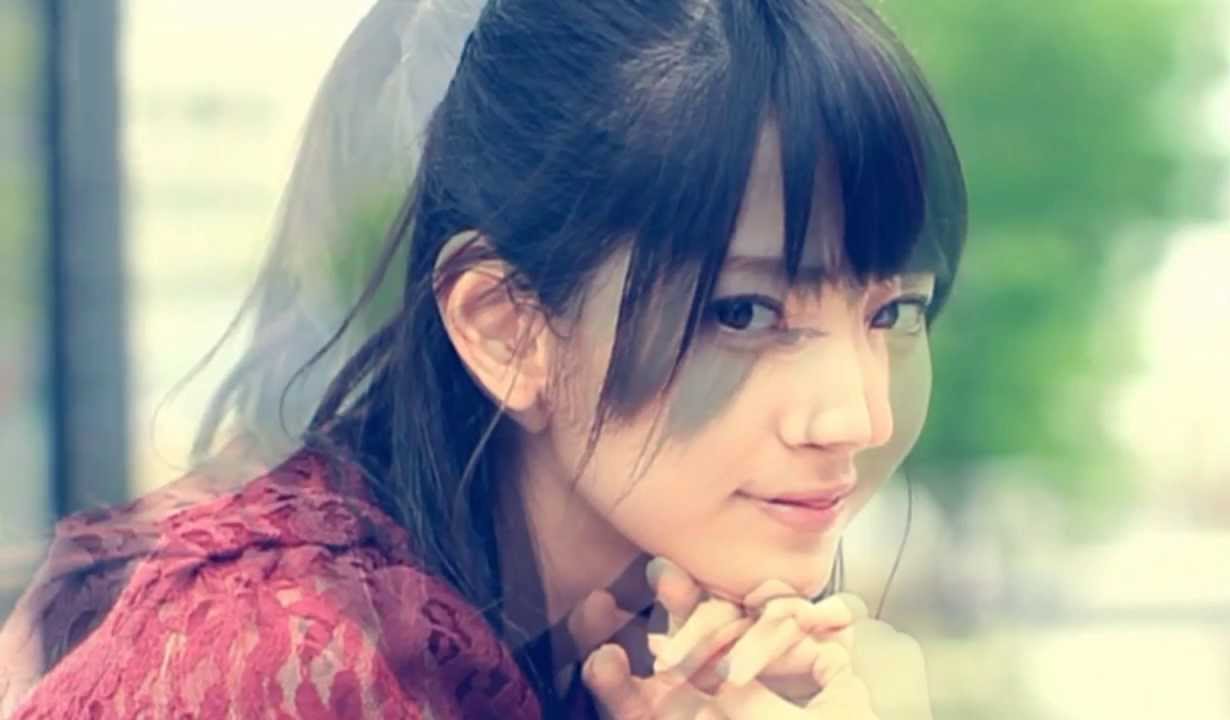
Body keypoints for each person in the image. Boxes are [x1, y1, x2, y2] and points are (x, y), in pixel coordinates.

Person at [0, 0, 966, 717]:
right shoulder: (296, 661)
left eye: (894, 311)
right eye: (745, 312)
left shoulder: (654, 643)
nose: (858, 417)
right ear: (507, 329)